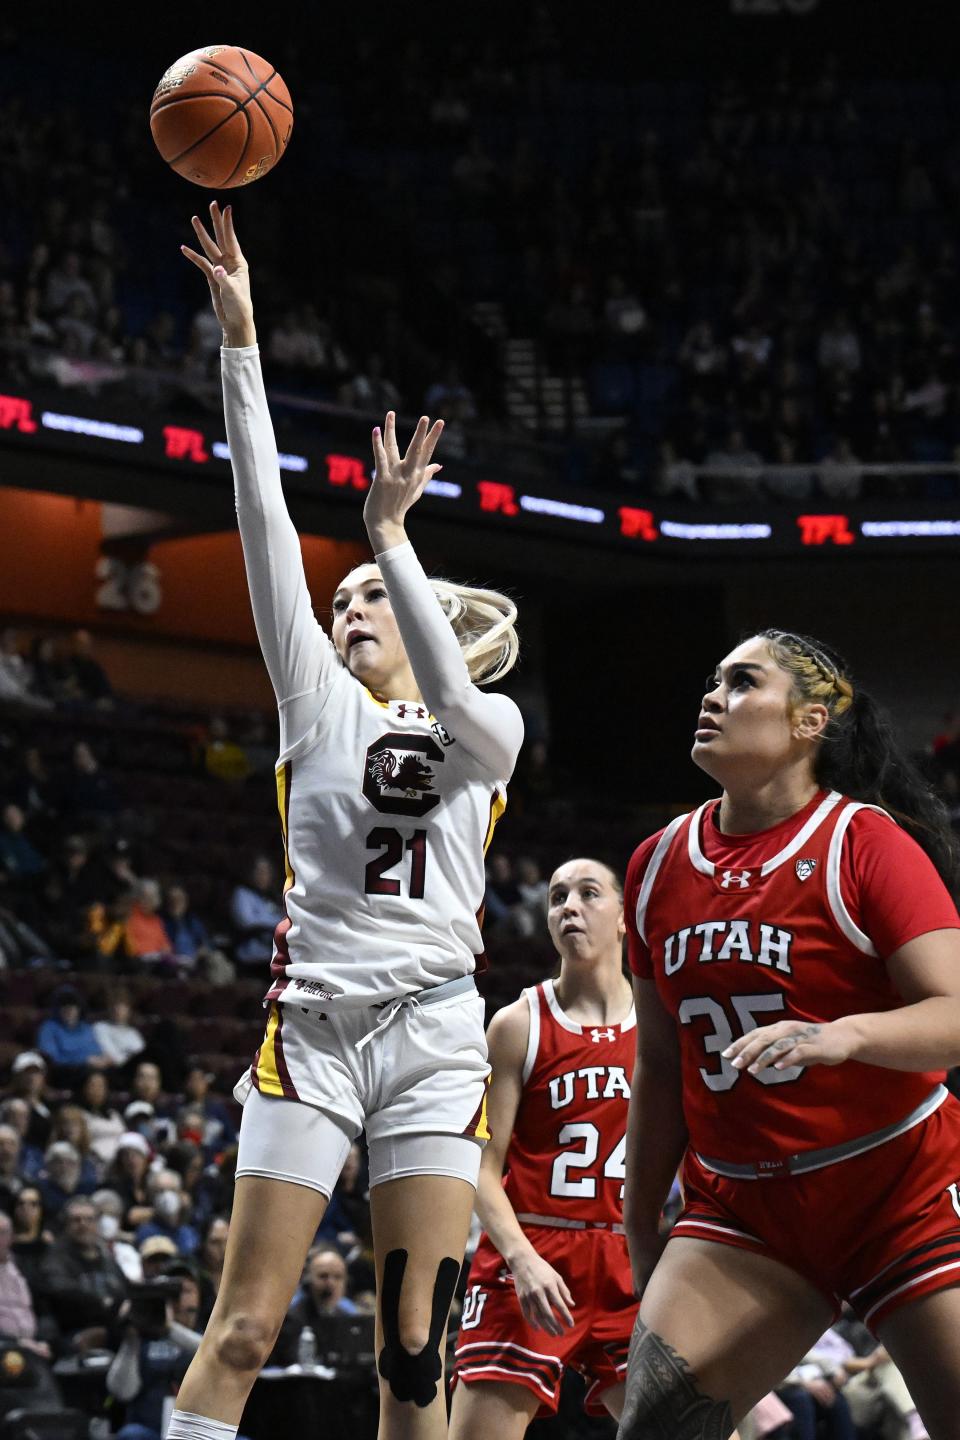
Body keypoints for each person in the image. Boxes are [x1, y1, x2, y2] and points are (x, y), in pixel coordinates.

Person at [177, 200, 522, 1440]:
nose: (349, 606)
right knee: (245, 1329)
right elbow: (262, 512)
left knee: (414, 1356)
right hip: (310, 1035)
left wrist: (393, 534)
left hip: (433, 1040)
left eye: (375, 595)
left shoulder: (492, 738)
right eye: (346, 598)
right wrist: (242, 338)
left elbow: (465, 705)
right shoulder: (314, 705)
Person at [618, 629, 960, 1439]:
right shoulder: (656, 864)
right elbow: (661, 1065)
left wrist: (843, 1036)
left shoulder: (864, 842)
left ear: (810, 722)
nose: (713, 696)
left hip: (898, 1188)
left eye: (742, 682)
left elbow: (953, 1015)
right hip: (745, 1209)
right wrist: (636, 1219)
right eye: (713, 681)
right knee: (654, 1430)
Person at [450, 858, 636, 1437]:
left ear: (625, 917)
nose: (569, 907)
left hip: (628, 1255)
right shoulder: (517, 1024)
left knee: (703, 1426)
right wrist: (522, 1258)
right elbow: (480, 1163)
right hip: (531, 1251)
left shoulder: (663, 1026)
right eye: (557, 897)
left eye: (588, 893)